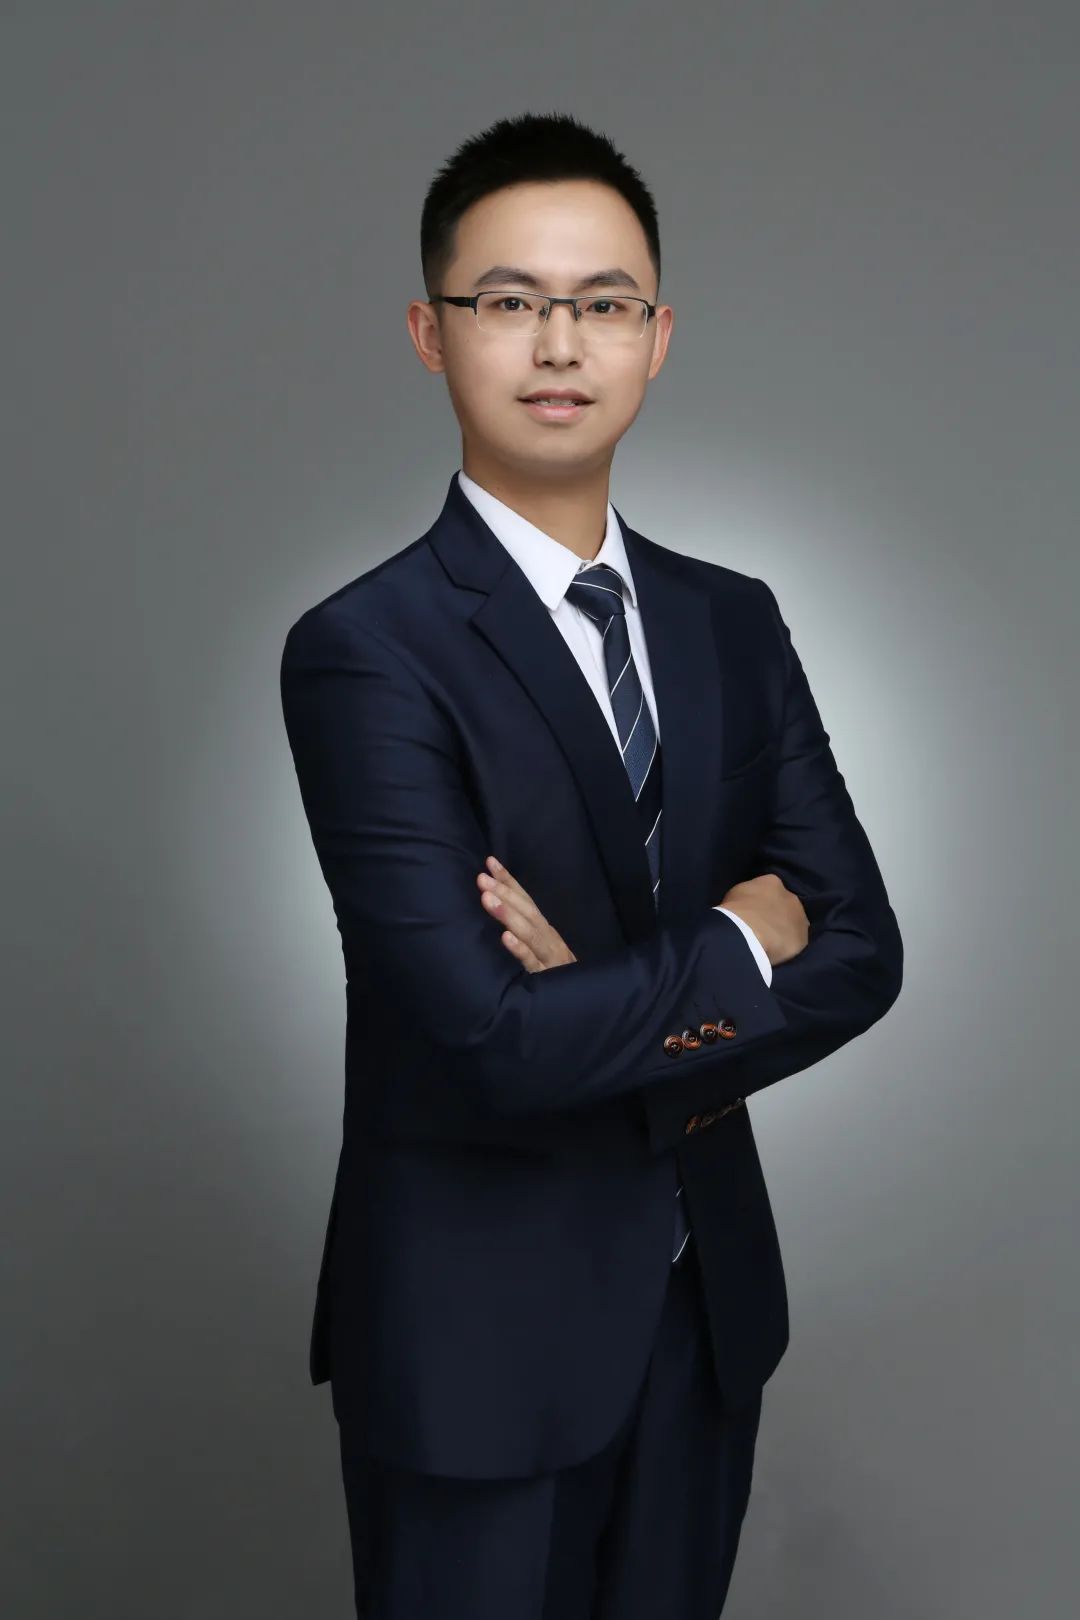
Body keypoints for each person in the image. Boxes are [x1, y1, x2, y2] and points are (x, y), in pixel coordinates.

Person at [279, 109, 903, 1620]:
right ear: (432, 332)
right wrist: (733, 948)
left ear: (656, 337)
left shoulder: (732, 620)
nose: (560, 342)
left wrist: (604, 1005)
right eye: (511, 299)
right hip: (475, 1342)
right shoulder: (368, 652)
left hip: (704, 1313)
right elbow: (487, 1038)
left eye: (603, 303)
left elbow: (865, 951)